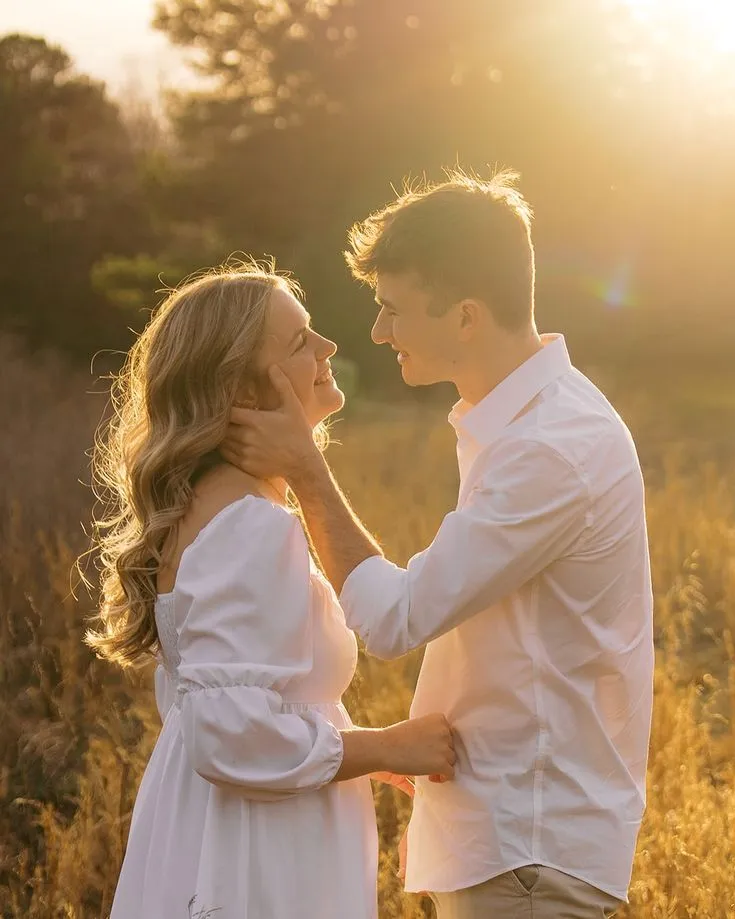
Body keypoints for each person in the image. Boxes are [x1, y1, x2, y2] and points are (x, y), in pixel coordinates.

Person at [221, 170, 655, 919]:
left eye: (391, 309)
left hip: (530, 852)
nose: (378, 332)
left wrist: (305, 467)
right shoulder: (519, 425)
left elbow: (394, 618)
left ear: (465, 316)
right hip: (514, 846)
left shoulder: (551, 448)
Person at [84, 264, 456, 919]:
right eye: (298, 342)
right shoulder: (249, 523)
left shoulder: (213, 502)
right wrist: (386, 744)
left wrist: (350, 754)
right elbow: (225, 729)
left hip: (223, 823)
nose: (328, 349)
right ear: (242, 391)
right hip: (253, 853)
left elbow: (220, 699)